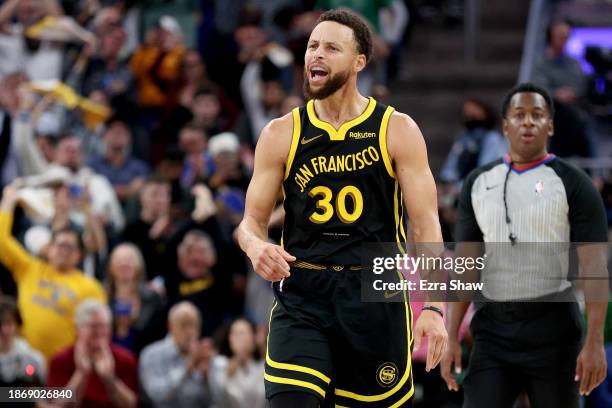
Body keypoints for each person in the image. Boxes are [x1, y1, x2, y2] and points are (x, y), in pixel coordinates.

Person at [236, 9, 447, 407]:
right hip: (304, 292)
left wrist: (434, 306)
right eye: (313, 46)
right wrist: (255, 246)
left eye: (331, 48)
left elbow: (426, 225)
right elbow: (250, 222)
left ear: (358, 62)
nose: (316, 54)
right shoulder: (281, 133)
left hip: (374, 293)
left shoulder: (396, 129)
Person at [441, 83, 609, 408]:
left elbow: (594, 268)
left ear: (551, 126)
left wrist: (595, 341)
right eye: (519, 115)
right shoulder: (478, 182)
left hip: (555, 330)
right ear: (505, 126)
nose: (528, 122)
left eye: (537, 115)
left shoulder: (575, 183)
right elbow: (467, 268)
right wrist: (451, 336)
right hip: (493, 329)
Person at [0, 183, 106, 361]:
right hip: (23, 361)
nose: (64, 250)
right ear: (49, 249)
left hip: (63, 368)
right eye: (59, 245)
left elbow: (99, 328)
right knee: (9, 391)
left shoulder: (90, 287)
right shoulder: (30, 268)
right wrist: (8, 200)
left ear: (79, 255)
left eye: (70, 247)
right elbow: (2, 241)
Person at [46, 299, 138, 408]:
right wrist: (81, 374)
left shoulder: (126, 359)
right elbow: (55, 404)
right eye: (93, 326)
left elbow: (131, 404)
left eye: (104, 326)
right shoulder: (60, 360)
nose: (99, 332)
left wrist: (109, 378)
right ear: (78, 328)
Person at [139, 301, 214, 408]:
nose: (189, 332)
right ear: (170, 326)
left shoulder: (203, 356)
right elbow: (157, 396)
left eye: (193, 325)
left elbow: (211, 403)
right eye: (183, 325)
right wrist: (186, 368)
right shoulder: (151, 354)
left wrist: (207, 378)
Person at [209, 317, 266, 408]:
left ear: (253, 338)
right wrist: (229, 375)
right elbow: (218, 398)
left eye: (242, 333)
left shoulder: (262, 367)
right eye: (234, 333)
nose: (239, 338)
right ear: (229, 339)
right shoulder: (219, 364)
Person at [0, 296, 46, 387]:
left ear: (17, 325)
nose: (3, 330)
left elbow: (45, 394)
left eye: (8, 323)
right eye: (0, 324)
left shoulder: (33, 359)